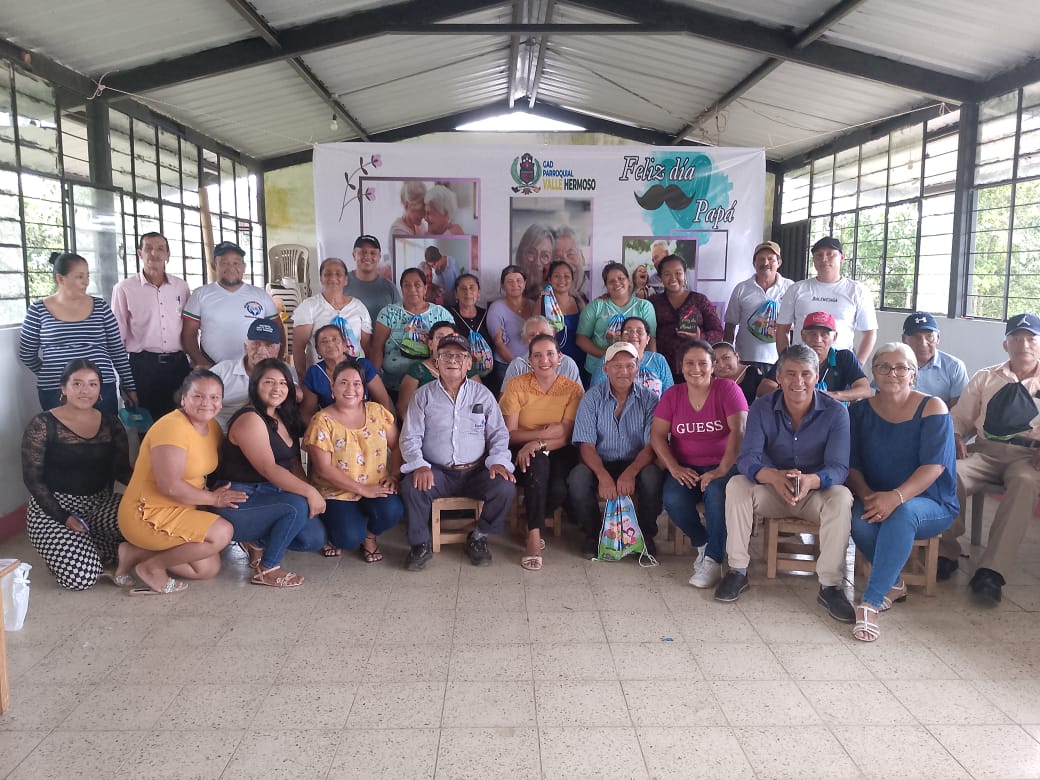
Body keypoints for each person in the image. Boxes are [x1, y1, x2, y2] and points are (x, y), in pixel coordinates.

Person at [715, 345, 855, 624]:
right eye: (790, 373)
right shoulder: (762, 407)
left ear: (817, 377)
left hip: (814, 493)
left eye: (806, 374)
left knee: (841, 496)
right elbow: (748, 458)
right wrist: (774, 477)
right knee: (737, 485)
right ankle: (737, 571)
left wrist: (811, 480)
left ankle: (830, 586)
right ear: (778, 377)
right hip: (773, 491)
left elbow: (839, 468)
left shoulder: (835, 412)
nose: (798, 381)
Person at [847, 343, 957, 641]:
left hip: (930, 501)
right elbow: (852, 464)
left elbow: (934, 467)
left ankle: (870, 602)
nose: (892, 373)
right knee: (858, 521)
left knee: (902, 514)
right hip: (875, 494)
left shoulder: (933, 407)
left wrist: (895, 498)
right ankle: (894, 583)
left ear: (913, 374)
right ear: (874, 372)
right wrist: (867, 495)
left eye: (901, 367)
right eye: (884, 366)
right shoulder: (859, 411)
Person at [937, 313, 1040, 600]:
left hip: (1028, 457)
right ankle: (946, 552)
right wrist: (956, 436)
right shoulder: (986, 377)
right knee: (951, 473)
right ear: (1005, 344)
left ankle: (991, 571)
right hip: (985, 451)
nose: (1024, 344)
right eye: (1016, 338)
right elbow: (960, 417)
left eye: (1031, 338)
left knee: (1024, 483)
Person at [115, 370, 243, 595]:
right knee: (222, 532)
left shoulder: (211, 426)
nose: (207, 403)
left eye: (214, 397)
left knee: (206, 569)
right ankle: (152, 568)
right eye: (198, 396)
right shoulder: (172, 427)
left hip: (182, 509)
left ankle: (134, 553)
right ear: (183, 398)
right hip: (147, 513)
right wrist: (214, 499)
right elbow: (170, 486)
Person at [399, 334, 516, 571]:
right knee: (412, 486)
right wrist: (419, 465)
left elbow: (499, 434)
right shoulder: (423, 395)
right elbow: (410, 437)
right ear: (436, 361)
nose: (453, 360)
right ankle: (420, 544)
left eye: (460, 356)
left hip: (475, 471)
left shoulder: (482, 395)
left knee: (505, 486)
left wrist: (498, 461)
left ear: (469, 363)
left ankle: (479, 536)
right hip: (438, 472)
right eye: (446, 355)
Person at [210, 359, 326, 587]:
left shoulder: (282, 415)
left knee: (313, 539)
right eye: (269, 382)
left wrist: (309, 490)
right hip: (238, 498)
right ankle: (267, 568)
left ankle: (256, 542)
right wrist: (309, 493)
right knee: (297, 506)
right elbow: (269, 468)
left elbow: (292, 462)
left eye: (283, 383)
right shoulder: (250, 418)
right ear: (255, 385)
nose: (277, 388)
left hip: (270, 493)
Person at [21, 359, 131, 590]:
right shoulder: (42, 423)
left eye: (92, 384)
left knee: (148, 522)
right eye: (77, 384)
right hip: (53, 509)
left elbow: (121, 470)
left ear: (100, 390)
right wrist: (64, 517)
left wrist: (155, 490)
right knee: (81, 578)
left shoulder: (111, 423)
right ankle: (82, 550)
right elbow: (33, 479)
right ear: (63, 388)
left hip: (99, 503)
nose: (85, 390)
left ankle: (92, 545)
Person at [651, 340, 748, 588]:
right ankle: (703, 542)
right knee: (673, 499)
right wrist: (674, 467)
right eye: (689, 363)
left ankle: (714, 561)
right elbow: (657, 436)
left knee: (716, 495)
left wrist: (721, 470)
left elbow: (739, 431)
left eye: (702, 363)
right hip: (686, 467)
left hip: (725, 465)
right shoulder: (673, 395)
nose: (696, 369)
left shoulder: (727, 389)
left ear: (713, 366)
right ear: (681, 367)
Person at [568, 342, 663, 558]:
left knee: (653, 475)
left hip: (637, 462)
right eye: (617, 366)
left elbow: (652, 445)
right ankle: (593, 534)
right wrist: (603, 475)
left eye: (630, 366)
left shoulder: (650, 399)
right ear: (605, 369)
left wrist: (631, 472)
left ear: (637, 369)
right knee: (578, 478)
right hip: (600, 461)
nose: (624, 372)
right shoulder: (591, 398)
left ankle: (645, 535)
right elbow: (586, 445)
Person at [304, 359, 404, 561]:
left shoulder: (377, 412)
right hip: (336, 491)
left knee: (393, 510)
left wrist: (394, 475)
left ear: (364, 388)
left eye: (357, 383)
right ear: (332, 387)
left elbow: (396, 445)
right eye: (343, 382)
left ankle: (369, 537)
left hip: (375, 485)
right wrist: (363, 490)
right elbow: (324, 469)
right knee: (348, 538)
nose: (351, 389)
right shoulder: (321, 421)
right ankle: (333, 531)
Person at [499, 334, 584, 570]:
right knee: (537, 463)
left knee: (559, 489)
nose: (544, 360)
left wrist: (538, 443)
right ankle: (534, 537)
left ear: (560, 357)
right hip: (521, 450)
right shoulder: (516, 385)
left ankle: (529, 522)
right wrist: (543, 435)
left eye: (549, 354)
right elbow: (510, 434)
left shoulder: (573, 389)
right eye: (537, 355)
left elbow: (566, 436)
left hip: (559, 450)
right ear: (530, 360)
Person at [19, 251, 137, 414]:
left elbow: (117, 351)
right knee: (62, 430)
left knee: (104, 429)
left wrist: (130, 386)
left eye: (87, 276)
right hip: (56, 390)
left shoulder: (101, 307)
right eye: (79, 277)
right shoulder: (38, 310)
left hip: (101, 387)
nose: (86, 282)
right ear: (60, 278)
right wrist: (52, 372)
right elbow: (26, 354)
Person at [111, 232, 192, 420]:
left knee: (182, 420)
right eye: (148, 248)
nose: (154, 253)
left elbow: (189, 327)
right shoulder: (124, 288)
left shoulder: (180, 287)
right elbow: (117, 337)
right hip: (143, 367)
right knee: (146, 423)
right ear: (139, 253)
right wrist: (125, 379)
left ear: (168, 255)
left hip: (178, 365)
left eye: (160, 249)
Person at [776, 236, 877, 363]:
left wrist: (857, 366)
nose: (824, 259)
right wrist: (786, 362)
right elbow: (782, 330)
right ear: (813, 260)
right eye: (819, 255)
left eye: (830, 254)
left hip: (840, 364)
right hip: (802, 364)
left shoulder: (857, 291)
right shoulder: (796, 289)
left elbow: (870, 333)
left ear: (842, 257)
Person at [180, 241, 280, 367]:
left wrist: (275, 364)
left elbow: (278, 331)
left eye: (236, 263)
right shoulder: (200, 295)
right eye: (224, 263)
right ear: (214, 266)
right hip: (212, 368)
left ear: (244, 267)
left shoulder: (261, 296)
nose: (231, 268)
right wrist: (200, 362)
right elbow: (188, 334)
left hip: (254, 369)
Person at [370, 267, 454, 395]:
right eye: (407, 285)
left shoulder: (441, 314)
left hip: (434, 387)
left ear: (425, 288)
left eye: (417, 285)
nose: (412, 289)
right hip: (392, 385)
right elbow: (377, 348)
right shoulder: (389, 313)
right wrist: (376, 384)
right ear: (402, 289)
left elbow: (452, 348)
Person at [757, 312, 873, 403]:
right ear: (803, 336)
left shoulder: (844, 357)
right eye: (812, 333)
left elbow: (865, 390)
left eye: (824, 334)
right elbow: (764, 388)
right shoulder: (791, 356)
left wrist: (832, 396)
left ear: (834, 337)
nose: (818, 340)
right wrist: (793, 395)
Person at [291, 257, 373, 378]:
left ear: (346, 280)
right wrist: (303, 379)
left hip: (355, 378)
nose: (333, 278)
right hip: (320, 377)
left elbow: (367, 346)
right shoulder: (309, 306)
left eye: (338, 274)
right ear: (321, 279)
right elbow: (298, 347)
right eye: (328, 274)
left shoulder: (359, 307)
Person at [211, 319, 295, 431]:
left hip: (266, 434)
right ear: (245, 346)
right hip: (218, 433)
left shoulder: (287, 372)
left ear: (279, 349)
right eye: (256, 344)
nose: (261, 351)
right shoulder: (222, 371)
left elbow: (298, 397)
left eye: (269, 346)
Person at [577, 262, 657, 377]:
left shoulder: (644, 306)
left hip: (637, 370)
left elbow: (651, 339)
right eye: (611, 281)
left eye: (621, 278)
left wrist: (649, 366)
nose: (617, 283)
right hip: (599, 369)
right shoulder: (596, 306)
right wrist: (607, 355)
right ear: (606, 286)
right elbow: (581, 339)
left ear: (629, 281)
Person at [723, 240, 793, 372]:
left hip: (779, 360)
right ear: (754, 263)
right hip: (745, 359)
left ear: (779, 262)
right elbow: (730, 324)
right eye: (761, 259)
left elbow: (799, 322)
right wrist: (727, 355)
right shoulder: (742, 288)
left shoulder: (790, 287)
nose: (765, 263)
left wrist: (781, 325)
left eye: (771, 259)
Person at [651, 254, 722, 382]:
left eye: (678, 273)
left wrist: (699, 338)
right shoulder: (653, 302)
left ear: (685, 274)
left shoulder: (700, 300)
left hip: (696, 367)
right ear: (660, 277)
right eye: (667, 274)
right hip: (663, 368)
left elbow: (718, 332)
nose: (673, 278)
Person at [300, 325, 392, 422]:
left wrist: (381, 425)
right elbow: (308, 412)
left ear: (344, 345)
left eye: (335, 339)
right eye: (324, 341)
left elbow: (383, 402)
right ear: (317, 350)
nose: (330, 344)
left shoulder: (363, 365)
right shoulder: (314, 373)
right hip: (330, 426)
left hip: (367, 423)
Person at [398, 321, 482, 419]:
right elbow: (403, 409)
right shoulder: (417, 370)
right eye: (440, 337)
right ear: (430, 344)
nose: (445, 341)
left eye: (450, 337)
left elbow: (480, 401)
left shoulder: (466, 367)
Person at [589, 316, 673, 397]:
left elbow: (670, 395)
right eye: (627, 331)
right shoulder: (608, 360)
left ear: (647, 339)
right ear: (621, 337)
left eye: (639, 331)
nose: (633, 334)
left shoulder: (658, 360)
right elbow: (596, 395)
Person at [901, 311, 968, 406]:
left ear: (938, 338)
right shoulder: (892, 364)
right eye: (916, 337)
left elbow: (958, 409)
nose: (923, 343)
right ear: (904, 339)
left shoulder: (954, 367)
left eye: (929, 336)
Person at [487, 265, 535, 394]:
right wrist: (515, 365)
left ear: (524, 283)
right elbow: (498, 343)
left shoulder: (533, 305)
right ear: (503, 285)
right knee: (507, 401)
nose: (515, 285)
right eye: (510, 281)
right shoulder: (496, 308)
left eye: (519, 280)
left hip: (532, 365)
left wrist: (530, 364)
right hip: (505, 366)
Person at [503, 315, 583, 386]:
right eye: (532, 335)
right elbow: (505, 397)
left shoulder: (567, 364)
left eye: (543, 335)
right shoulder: (517, 366)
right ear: (525, 339)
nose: (537, 339)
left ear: (553, 336)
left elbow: (579, 396)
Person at [348, 235, 401, 323]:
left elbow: (398, 321)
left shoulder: (389, 287)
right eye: (362, 252)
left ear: (379, 257)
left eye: (373, 253)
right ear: (354, 255)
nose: (367, 256)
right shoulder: (341, 283)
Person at [545, 260, 586, 373]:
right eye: (556, 276)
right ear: (549, 279)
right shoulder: (543, 302)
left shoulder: (579, 302)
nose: (561, 280)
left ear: (572, 280)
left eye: (566, 276)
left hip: (579, 357)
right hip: (552, 360)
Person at [448, 272, 494, 366]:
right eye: (463, 288)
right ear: (456, 294)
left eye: (472, 288)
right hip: (457, 367)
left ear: (478, 293)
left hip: (487, 368)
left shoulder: (487, 314)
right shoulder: (448, 315)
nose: (468, 292)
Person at [515, 223, 555, 299]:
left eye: (545, 256)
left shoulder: (555, 296)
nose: (537, 262)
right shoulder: (508, 291)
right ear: (520, 255)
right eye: (531, 253)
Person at [551, 226, 588, 298]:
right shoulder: (545, 297)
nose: (566, 263)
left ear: (582, 258)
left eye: (570, 254)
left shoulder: (599, 293)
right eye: (558, 258)